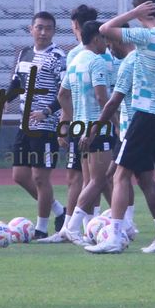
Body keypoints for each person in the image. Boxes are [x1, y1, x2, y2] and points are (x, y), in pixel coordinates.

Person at [87, 0, 155, 254]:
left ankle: (115, 237)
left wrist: (133, 14)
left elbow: (105, 29)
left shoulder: (146, 38)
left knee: (120, 175)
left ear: (142, 13)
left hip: (144, 115)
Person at [39, 21, 113, 244]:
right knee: (99, 181)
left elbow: (62, 95)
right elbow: (102, 98)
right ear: (97, 39)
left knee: (90, 179)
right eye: (105, 39)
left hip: (79, 127)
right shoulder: (96, 61)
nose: (107, 44)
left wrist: (71, 118)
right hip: (97, 127)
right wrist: (113, 122)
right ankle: (71, 228)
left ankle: (88, 229)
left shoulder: (75, 60)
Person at [5, 11, 66, 239]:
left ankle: (41, 229)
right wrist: (3, 102)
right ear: (31, 29)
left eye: (48, 28)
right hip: (25, 124)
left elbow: (65, 91)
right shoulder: (25, 53)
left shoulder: (58, 56)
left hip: (46, 126)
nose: (43, 32)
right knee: (19, 176)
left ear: (53, 31)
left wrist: (47, 111)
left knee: (41, 177)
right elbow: (17, 82)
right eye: (39, 27)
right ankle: (60, 211)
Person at [61, 4, 98, 233]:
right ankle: (94, 226)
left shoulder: (76, 54)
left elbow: (67, 93)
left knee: (85, 178)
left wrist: (65, 124)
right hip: (101, 122)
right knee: (99, 178)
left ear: (75, 26)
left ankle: (74, 228)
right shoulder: (105, 50)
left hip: (85, 123)